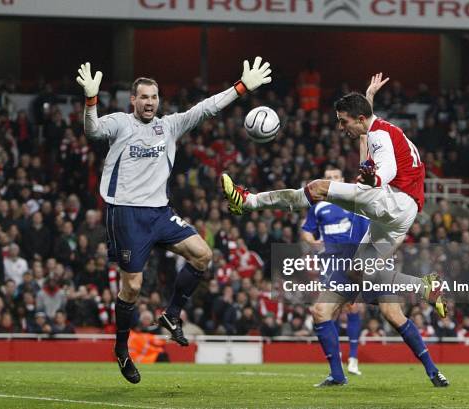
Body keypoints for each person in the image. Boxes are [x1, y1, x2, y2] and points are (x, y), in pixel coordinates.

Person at [221, 73, 449, 387]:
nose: (341, 128)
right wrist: (368, 97)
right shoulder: (380, 127)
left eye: (343, 122)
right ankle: (425, 288)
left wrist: (374, 180)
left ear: (358, 119)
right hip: (401, 214)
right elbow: (370, 132)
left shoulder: (380, 136)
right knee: (359, 272)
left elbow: (387, 168)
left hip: (392, 200)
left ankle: (246, 202)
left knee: (315, 189)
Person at [76, 57, 272, 383]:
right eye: (144, 97)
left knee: (203, 254)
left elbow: (206, 108)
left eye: (154, 97)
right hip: (125, 214)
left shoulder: (169, 126)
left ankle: (171, 314)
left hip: (160, 213)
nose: (150, 102)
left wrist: (241, 87)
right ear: (133, 101)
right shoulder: (120, 123)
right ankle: (122, 350)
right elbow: (92, 129)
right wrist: (91, 99)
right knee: (132, 288)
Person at [300, 167, 368, 376]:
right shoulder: (318, 206)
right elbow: (306, 232)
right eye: (328, 178)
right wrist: (314, 242)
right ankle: (337, 363)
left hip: (352, 260)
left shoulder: (353, 202)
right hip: (329, 263)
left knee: (354, 308)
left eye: (335, 177)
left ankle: (353, 358)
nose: (331, 180)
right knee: (332, 311)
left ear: (342, 180)